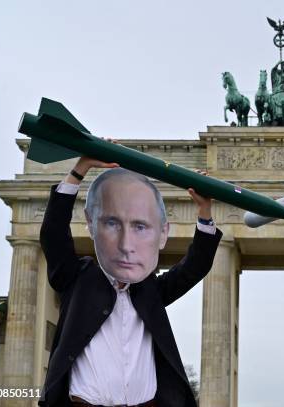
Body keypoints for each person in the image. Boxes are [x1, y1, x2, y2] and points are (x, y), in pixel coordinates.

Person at [38, 150, 222, 407]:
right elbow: (53, 234)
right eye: (112, 224)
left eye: (140, 227)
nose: (126, 246)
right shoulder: (77, 279)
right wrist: (81, 167)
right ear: (91, 225)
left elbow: (195, 266)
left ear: (162, 235)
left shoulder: (151, 292)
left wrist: (205, 211)